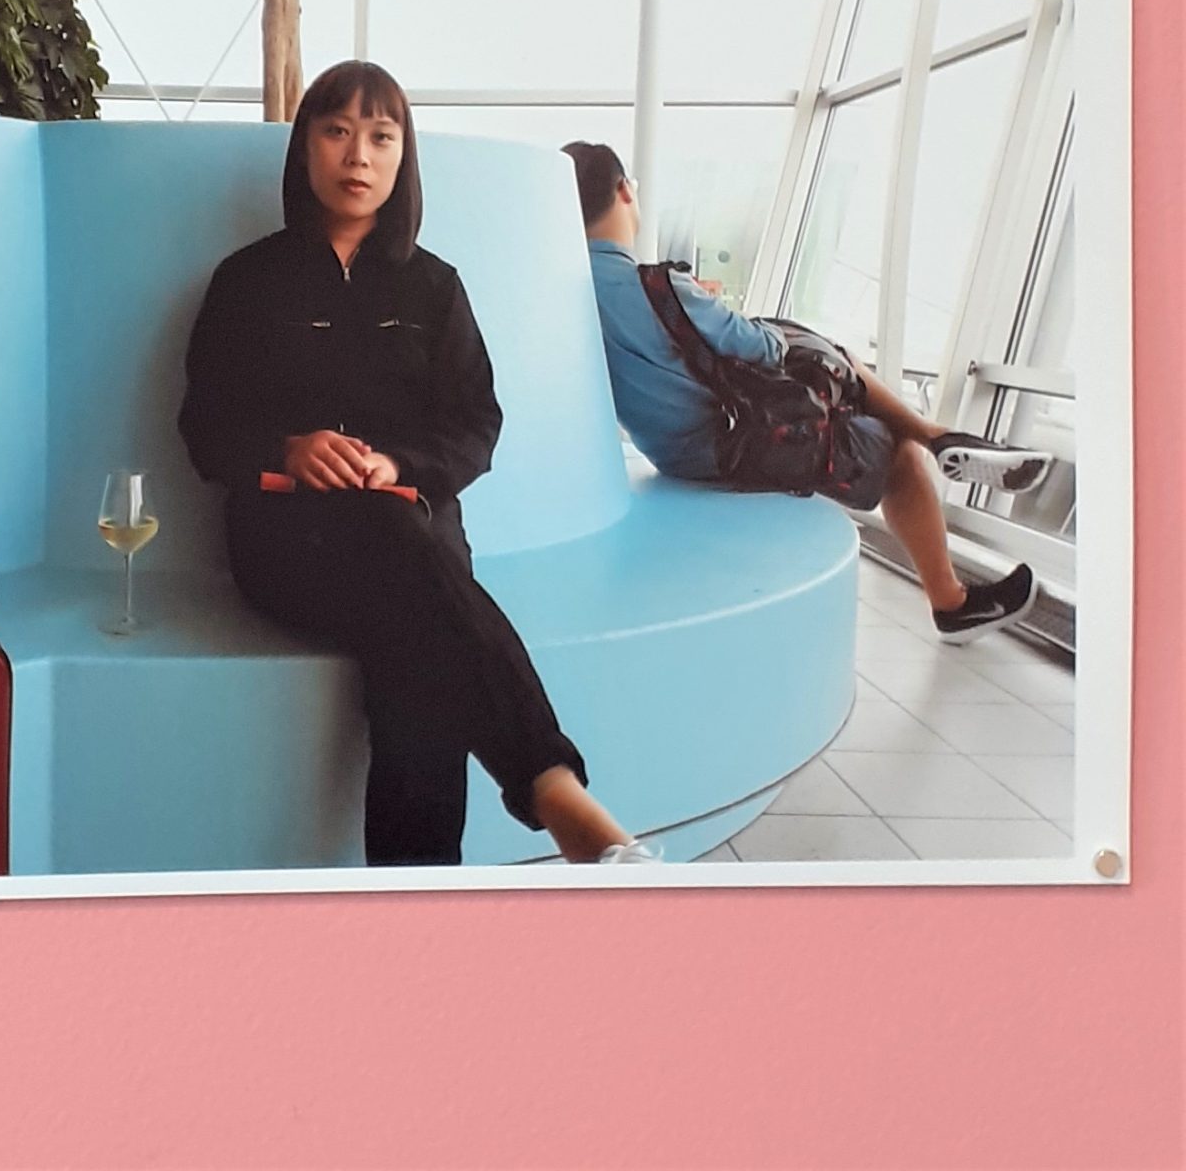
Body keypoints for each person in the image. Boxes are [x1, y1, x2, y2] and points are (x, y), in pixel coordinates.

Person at [178, 63, 657, 869]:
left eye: (380, 136)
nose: (357, 156)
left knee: (417, 658)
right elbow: (204, 428)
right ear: (304, 148)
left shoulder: (435, 287)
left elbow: (476, 425)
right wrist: (289, 449)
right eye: (337, 132)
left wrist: (395, 462)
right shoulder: (246, 282)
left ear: (403, 157)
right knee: (422, 603)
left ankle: (423, 906)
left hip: (416, 530)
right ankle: (555, 794)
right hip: (288, 545)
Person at [562, 140, 1050, 645]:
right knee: (893, 446)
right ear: (625, 192)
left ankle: (938, 436)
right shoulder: (654, 285)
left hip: (670, 449)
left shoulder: (562, 290)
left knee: (829, 365)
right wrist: (724, 312)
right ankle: (952, 597)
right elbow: (762, 348)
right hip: (732, 445)